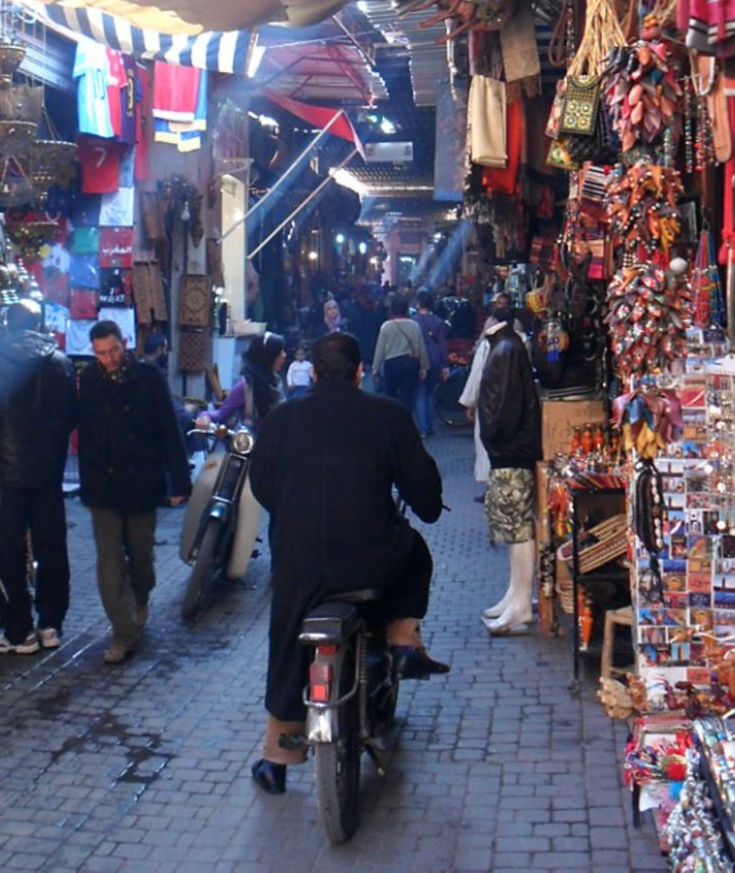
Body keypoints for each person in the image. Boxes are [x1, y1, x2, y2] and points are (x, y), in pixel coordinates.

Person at [249, 331, 447, 795]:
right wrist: (427, 501)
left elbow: (261, 484)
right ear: (361, 372)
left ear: (313, 374)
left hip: (299, 565)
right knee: (415, 552)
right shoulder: (387, 415)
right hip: (369, 561)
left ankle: (277, 758)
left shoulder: (281, 418)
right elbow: (426, 498)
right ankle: (401, 639)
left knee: (286, 641)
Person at [78, 319, 192, 664]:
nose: (108, 359)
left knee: (142, 560)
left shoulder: (149, 378)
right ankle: (123, 634)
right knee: (109, 564)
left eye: (113, 350)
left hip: (142, 482)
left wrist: (179, 480)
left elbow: (168, 430)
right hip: (104, 486)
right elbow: (85, 434)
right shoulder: (90, 380)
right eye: (100, 353)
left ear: (124, 343)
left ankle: (140, 599)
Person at [0, 299, 78, 655]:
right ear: (39, 324)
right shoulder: (61, 363)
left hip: (7, 470)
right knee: (52, 546)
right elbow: (70, 418)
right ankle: (51, 624)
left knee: (8, 549)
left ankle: (19, 631)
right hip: (49, 471)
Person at [476, 297, 542, 637]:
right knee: (514, 526)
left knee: (517, 528)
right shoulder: (509, 347)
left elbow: (504, 408)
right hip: (510, 450)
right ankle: (515, 596)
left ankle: (519, 603)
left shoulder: (505, 350)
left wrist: (495, 438)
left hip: (510, 451)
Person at [460, 294, 529, 500]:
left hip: (490, 401)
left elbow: (477, 375)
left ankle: (492, 487)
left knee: (487, 443)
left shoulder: (488, 345)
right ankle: (513, 485)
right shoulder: (523, 341)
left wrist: (470, 402)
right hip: (517, 401)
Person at [204, 331, 285, 429]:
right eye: (279, 352)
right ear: (268, 356)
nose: (284, 355)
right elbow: (221, 414)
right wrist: (205, 417)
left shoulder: (276, 382)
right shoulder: (246, 386)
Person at [371, 294, 429, 417]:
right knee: (408, 397)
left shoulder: (386, 326)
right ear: (406, 308)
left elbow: (380, 349)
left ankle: (393, 424)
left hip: (391, 365)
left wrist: (375, 368)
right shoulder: (414, 325)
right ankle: (406, 422)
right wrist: (424, 366)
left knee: (391, 396)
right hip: (410, 364)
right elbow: (420, 348)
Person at [414, 288, 449, 438]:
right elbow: (442, 344)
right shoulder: (438, 322)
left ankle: (423, 427)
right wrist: (445, 364)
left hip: (418, 357)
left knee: (420, 393)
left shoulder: (413, 321)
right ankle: (429, 425)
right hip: (435, 357)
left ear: (419, 303)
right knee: (430, 392)